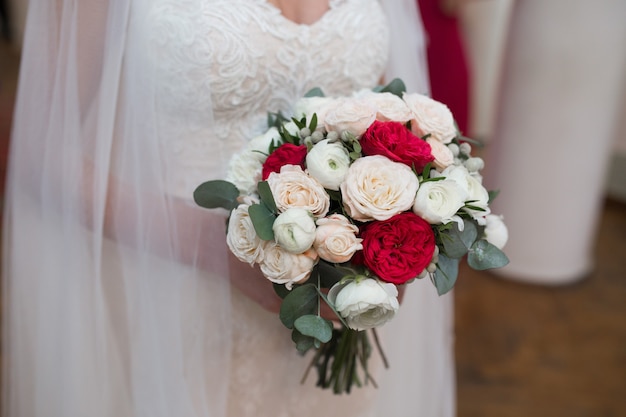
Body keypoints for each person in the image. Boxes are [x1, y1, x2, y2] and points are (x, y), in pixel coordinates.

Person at [2, 1, 455, 416]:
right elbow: (41, 152)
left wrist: (393, 239)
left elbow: (393, 111)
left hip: (336, 300)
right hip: (170, 289)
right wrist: (217, 246)